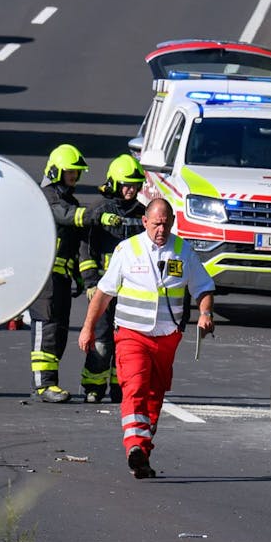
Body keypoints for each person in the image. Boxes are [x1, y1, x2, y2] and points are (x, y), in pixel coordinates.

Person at [77, 198, 215, 479]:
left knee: (155, 396)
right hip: (131, 334)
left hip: (167, 338)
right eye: (155, 224)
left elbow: (203, 287)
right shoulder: (128, 250)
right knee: (135, 388)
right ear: (144, 222)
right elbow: (104, 293)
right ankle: (134, 445)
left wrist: (205, 312)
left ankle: (142, 454)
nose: (161, 230)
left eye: (165, 224)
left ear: (173, 223)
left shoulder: (183, 250)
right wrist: (88, 327)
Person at [30, 143, 100, 403]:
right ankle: (43, 385)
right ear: (57, 171)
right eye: (70, 172)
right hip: (44, 277)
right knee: (45, 327)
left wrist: (82, 277)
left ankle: (52, 382)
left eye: (76, 172)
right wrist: (97, 213)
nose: (74, 176)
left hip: (61, 278)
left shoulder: (69, 199)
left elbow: (77, 243)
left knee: (59, 330)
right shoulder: (46, 197)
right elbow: (67, 216)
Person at [78, 154, 147, 403]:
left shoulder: (143, 214)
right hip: (103, 288)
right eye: (126, 184)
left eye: (135, 185)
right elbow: (86, 249)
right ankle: (93, 386)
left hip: (131, 289)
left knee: (126, 339)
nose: (131, 190)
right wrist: (90, 282)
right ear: (115, 183)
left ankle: (121, 387)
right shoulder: (99, 210)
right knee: (101, 338)